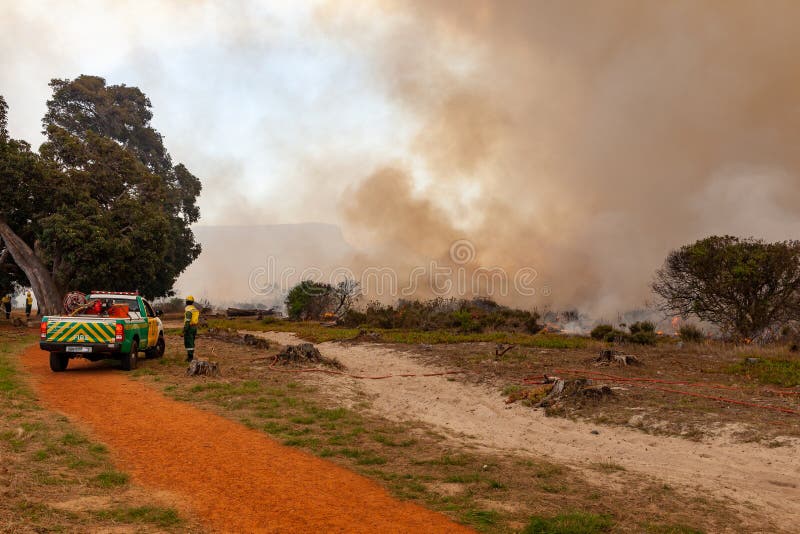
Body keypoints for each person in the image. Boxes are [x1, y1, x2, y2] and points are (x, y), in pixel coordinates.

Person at [183, 295, 200, 362]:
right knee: (192, 341)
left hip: (189, 327)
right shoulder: (195, 309)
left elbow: (187, 320)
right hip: (195, 327)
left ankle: (190, 357)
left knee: (188, 342)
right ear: (192, 302)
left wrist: (185, 329)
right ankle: (191, 355)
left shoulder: (188, 310)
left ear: (186, 302)